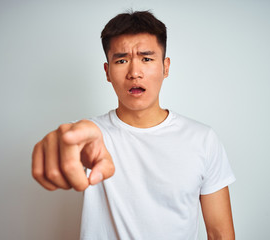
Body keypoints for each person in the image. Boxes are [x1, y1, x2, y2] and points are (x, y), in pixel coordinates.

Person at [32, 10, 236, 240]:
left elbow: (220, 233)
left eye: (146, 58)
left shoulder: (202, 139)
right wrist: (59, 143)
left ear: (165, 67)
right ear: (107, 72)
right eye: (121, 60)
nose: (134, 72)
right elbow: (67, 140)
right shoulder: (90, 136)